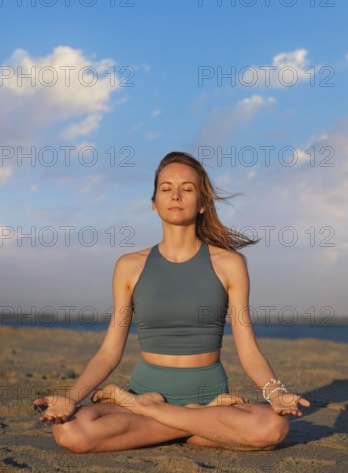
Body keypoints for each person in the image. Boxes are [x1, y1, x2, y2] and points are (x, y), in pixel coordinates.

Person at [33, 151, 310, 453]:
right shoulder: (129, 266)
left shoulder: (229, 264)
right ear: (154, 204)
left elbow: (249, 351)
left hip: (205, 398)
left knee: (274, 426)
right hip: (185, 405)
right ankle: (189, 422)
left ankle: (142, 408)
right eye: (166, 188)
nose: (175, 195)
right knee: (70, 433)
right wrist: (72, 397)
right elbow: (109, 352)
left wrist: (276, 393)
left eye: (187, 188)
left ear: (203, 203)